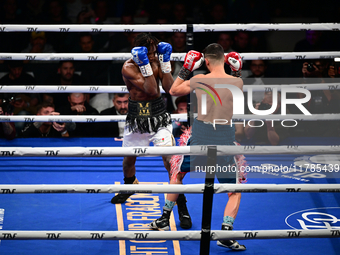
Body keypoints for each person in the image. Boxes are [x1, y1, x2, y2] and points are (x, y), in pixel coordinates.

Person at [149, 43, 246, 251]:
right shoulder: (236, 82)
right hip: (224, 138)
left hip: (201, 135)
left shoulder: (198, 79)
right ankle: (226, 233)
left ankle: (164, 218)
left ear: (207, 61)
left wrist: (187, 68)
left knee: (178, 173)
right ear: (224, 60)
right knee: (234, 190)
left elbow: (173, 90)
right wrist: (236, 70)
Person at [110, 33, 192, 229]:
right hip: (136, 119)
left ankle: (182, 206)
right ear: (141, 52)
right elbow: (152, 90)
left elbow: (169, 88)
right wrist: (147, 65)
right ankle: (129, 185)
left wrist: (165, 64)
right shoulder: (129, 67)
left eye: (156, 52)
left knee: (170, 163)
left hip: (159, 118)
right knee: (129, 160)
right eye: (151, 53)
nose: (154, 55)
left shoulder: (158, 61)